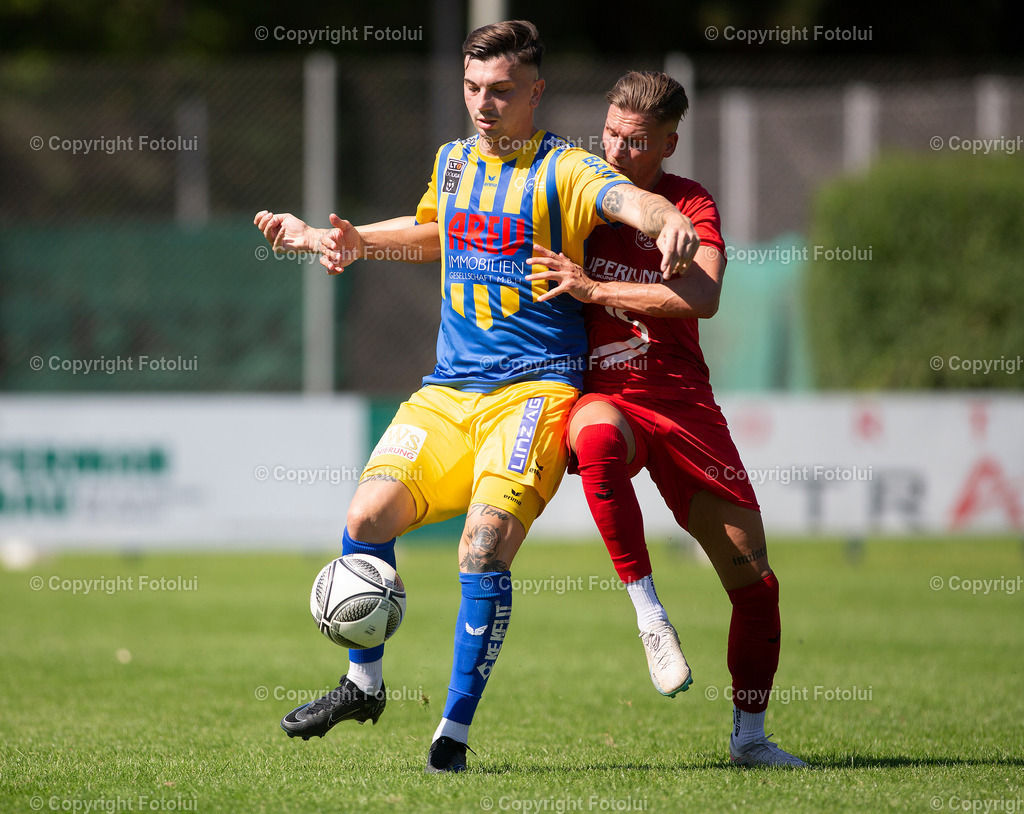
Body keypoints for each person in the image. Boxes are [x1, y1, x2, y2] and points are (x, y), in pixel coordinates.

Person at [254, 22, 700, 773]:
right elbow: (437, 234)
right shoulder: (454, 161)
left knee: (481, 546)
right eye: (471, 90)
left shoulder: (567, 167)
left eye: (499, 91)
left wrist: (669, 221)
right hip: (448, 392)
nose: (483, 105)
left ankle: (451, 737)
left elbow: (630, 204)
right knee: (365, 515)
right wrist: (347, 238)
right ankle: (364, 684)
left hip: (535, 392)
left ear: (536, 91)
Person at [523, 70, 806, 768]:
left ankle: (750, 739)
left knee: (755, 586)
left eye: (636, 141)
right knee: (593, 438)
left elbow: (702, 297)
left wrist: (593, 287)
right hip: (606, 396)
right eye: (611, 135)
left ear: (669, 142)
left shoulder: (689, 201)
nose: (617, 151)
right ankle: (648, 609)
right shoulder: (578, 192)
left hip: (682, 403)